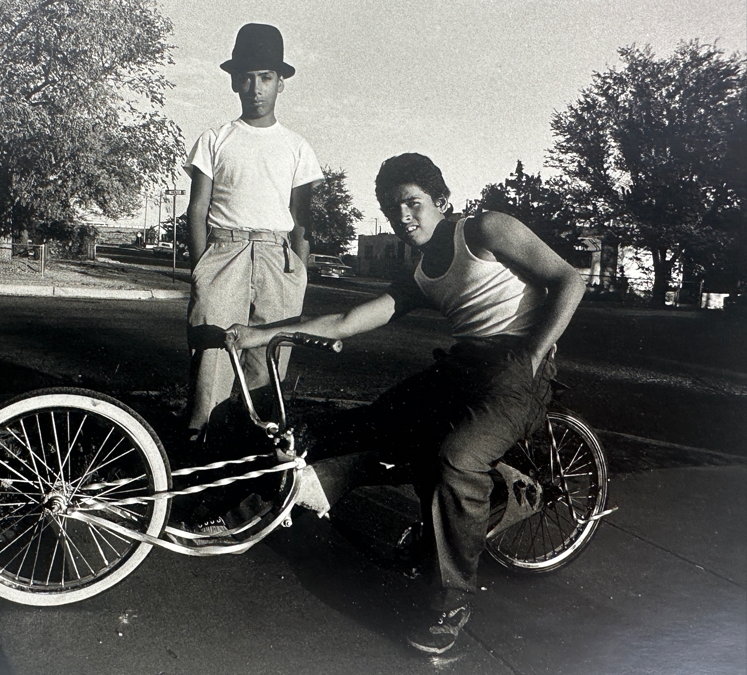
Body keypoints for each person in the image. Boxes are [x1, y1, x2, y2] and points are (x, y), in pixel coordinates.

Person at [226, 153, 586, 655]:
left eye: (413, 204)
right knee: (376, 422)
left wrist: (532, 351)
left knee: (457, 459)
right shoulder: (420, 276)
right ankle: (272, 496)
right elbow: (348, 320)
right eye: (393, 210)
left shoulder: (485, 229)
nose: (403, 218)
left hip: (518, 368)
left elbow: (571, 279)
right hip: (465, 367)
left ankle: (452, 601)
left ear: (442, 202)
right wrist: (257, 335)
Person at [183, 23, 324, 444]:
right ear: (233, 81)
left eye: (266, 77)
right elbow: (197, 210)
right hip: (224, 250)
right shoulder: (216, 139)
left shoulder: (297, 147)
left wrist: (297, 268)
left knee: (269, 359)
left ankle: (256, 453)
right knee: (212, 354)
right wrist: (200, 269)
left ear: (281, 83)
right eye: (247, 76)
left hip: (276, 254)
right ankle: (198, 449)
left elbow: (302, 220)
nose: (256, 87)